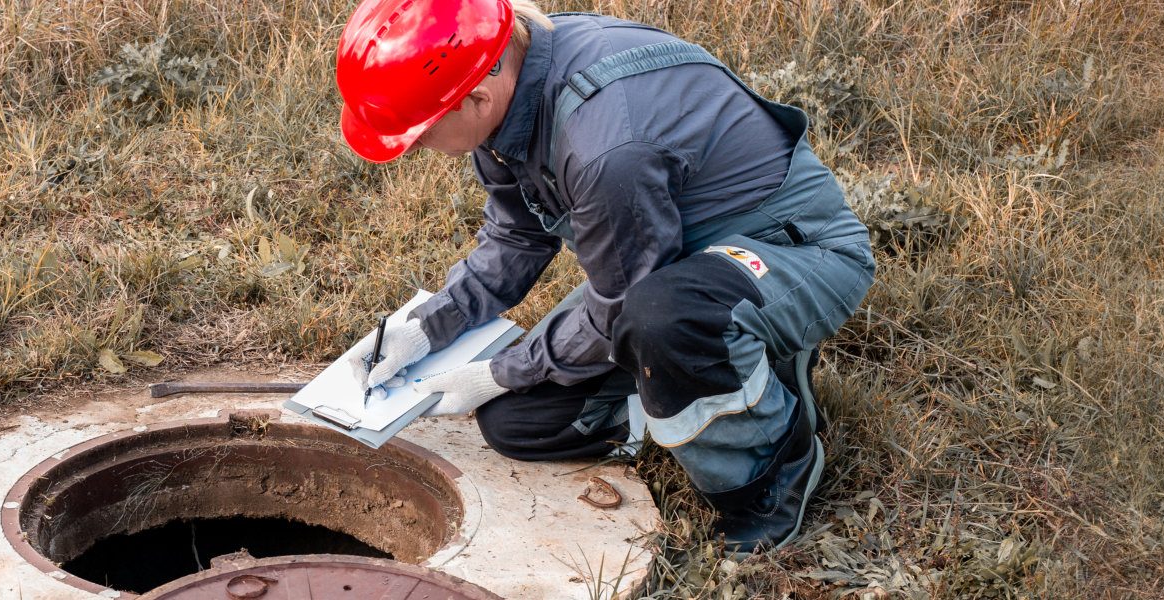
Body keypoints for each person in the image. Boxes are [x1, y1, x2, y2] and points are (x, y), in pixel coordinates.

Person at [331, 0, 876, 555]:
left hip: (791, 250)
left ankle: (770, 468)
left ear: (475, 97)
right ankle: (712, 381)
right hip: (667, 262)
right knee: (518, 422)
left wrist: (497, 369)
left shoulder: (605, 144)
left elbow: (619, 306)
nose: (415, 148)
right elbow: (516, 238)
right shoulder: (508, 89)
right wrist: (423, 329)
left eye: (419, 134)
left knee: (663, 321)